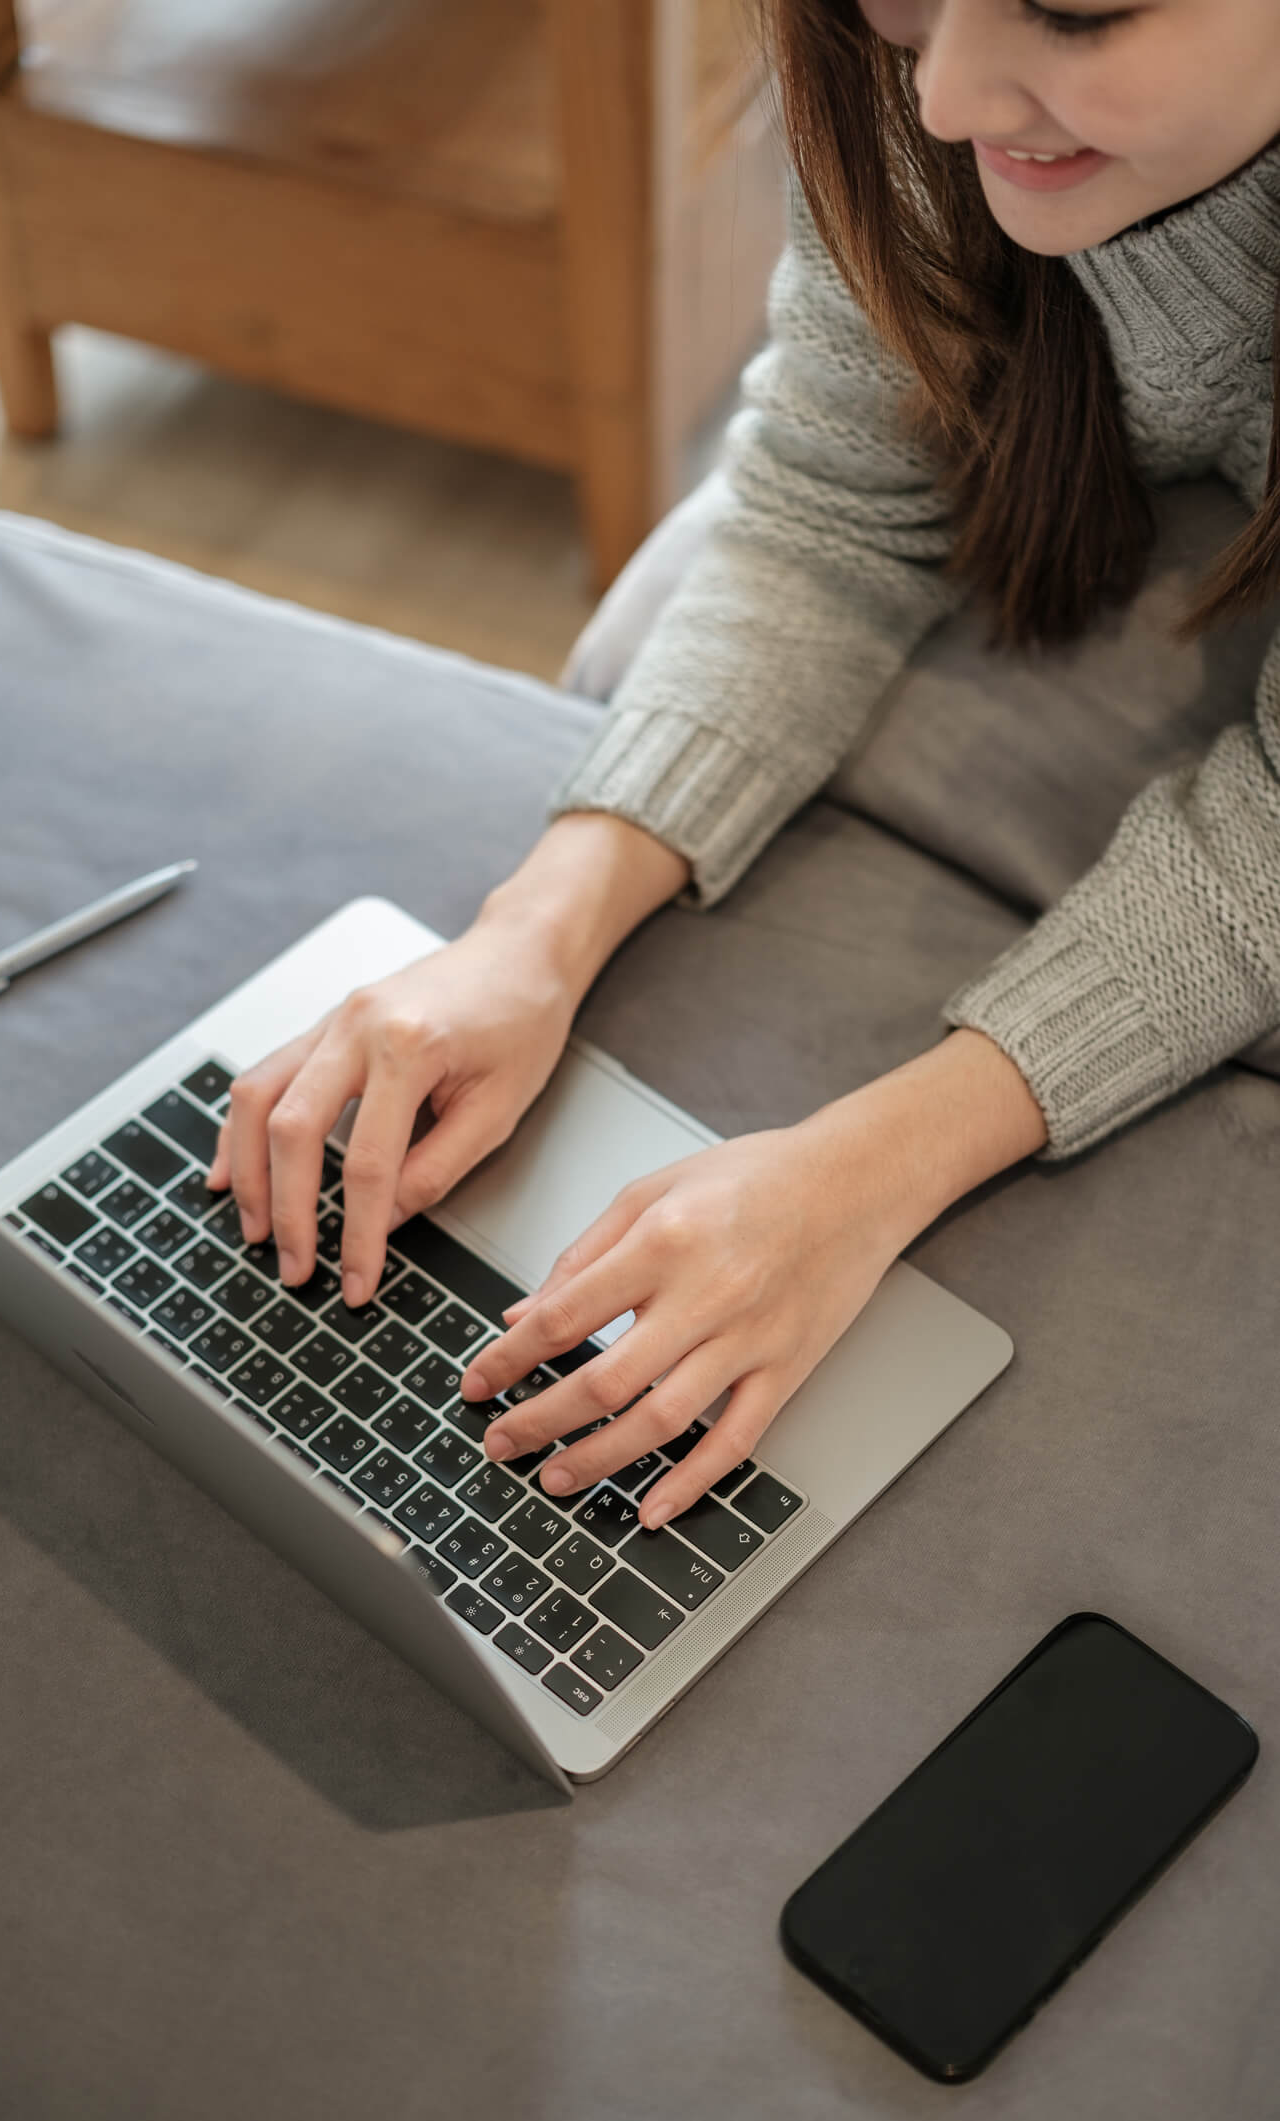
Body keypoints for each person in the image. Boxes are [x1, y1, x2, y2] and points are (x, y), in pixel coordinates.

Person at [208, 0, 1280, 1533]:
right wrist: (530, 932)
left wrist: (862, 1174)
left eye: (1074, 6)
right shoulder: (909, 71)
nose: (952, 96)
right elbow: (829, 507)